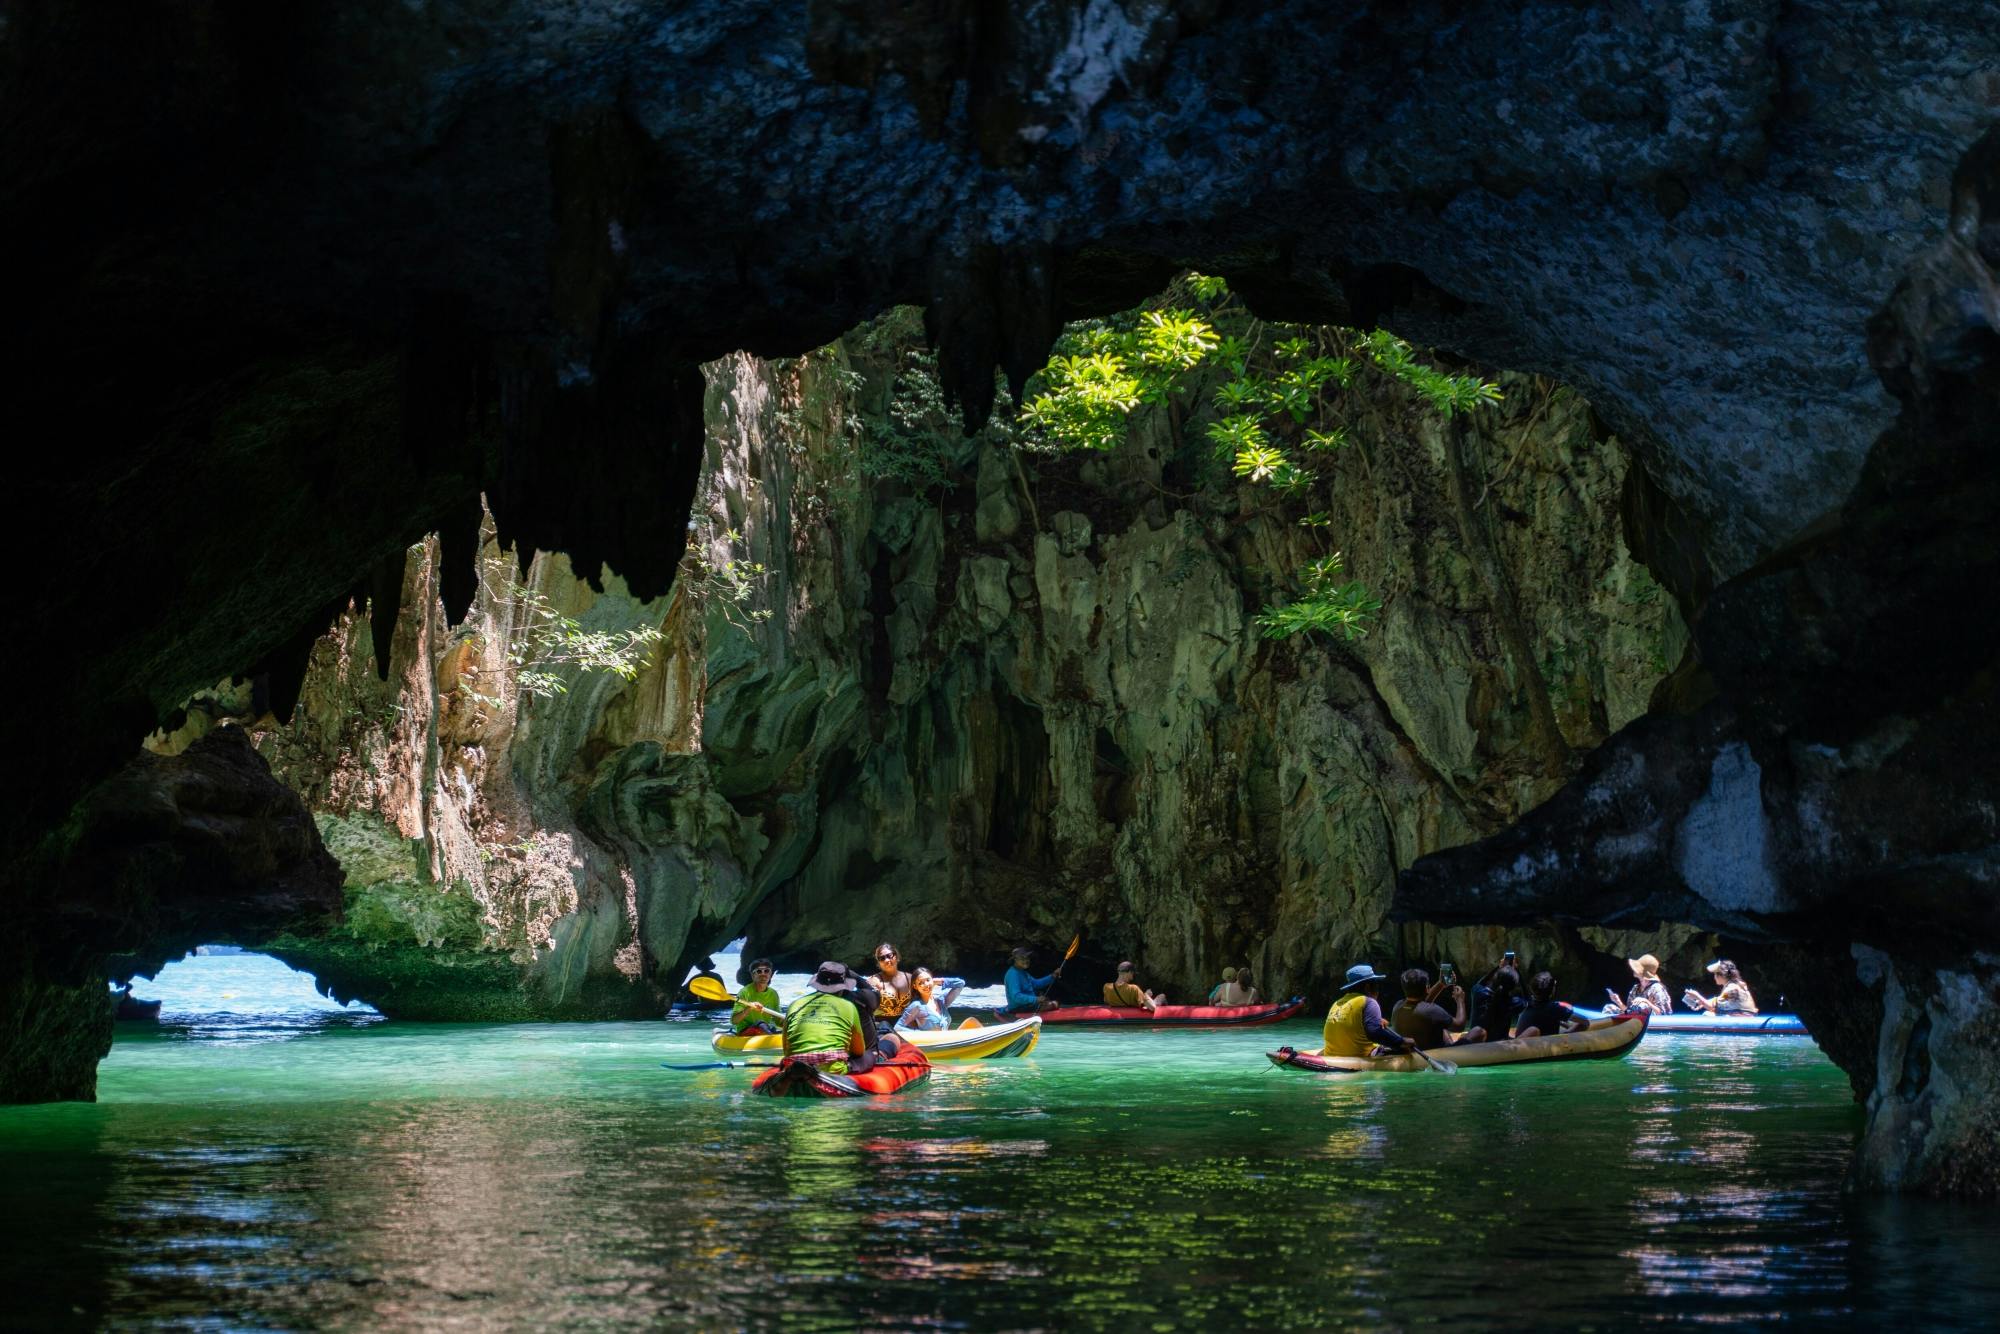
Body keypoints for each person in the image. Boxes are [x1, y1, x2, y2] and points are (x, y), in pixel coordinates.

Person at [782, 961, 873, 1074]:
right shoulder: (849, 1006)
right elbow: (858, 1051)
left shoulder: (794, 1004)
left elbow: (786, 1050)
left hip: (793, 1067)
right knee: (869, 1054)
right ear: (842, 987)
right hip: (833, 1069)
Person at [1321, 963, 1417, 1058]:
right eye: (1376, 984)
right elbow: (1374, 1033)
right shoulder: (1369, 1002)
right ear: (1368, 987)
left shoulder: (1337, 1003)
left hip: (1331, 1054)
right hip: (1357, 1056)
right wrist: (1401, 1042)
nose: (1378, 989)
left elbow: (1350, 1024)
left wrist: (1375, 1021)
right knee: (1404, 1049)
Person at [1390, 967, 1485, 1048]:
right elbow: (1459, 1026)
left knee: (1440, 1025)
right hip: (1437, 1053)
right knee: (1479, 1032)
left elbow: (1421, 1005)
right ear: (1427, 988)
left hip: (1415, 1050)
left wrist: (1441, 984)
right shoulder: (1432, 1011)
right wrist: (1460, 1001)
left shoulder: (1397, 1006)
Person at [1513, 971, 1585, 1038]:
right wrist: (1567, 1032)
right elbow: (1585, 1022)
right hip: (1541, 1047)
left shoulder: (1525, 1003)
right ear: (1552, 990)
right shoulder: (1556, 1009)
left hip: (1520, 1043)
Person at [895, 967, 967, 1032]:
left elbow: (960, 983)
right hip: (930, 1044)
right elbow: (898, 1028)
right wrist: (921, 1034)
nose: (926, 984)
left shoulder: (942, 1002)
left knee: (971, 1022)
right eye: (921, 983)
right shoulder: (917, 1006)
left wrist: (939, 981)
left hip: (945, 1042)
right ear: (915, 986)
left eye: (928, 980)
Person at [1606, 954, 1673, 1015]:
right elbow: (1629, 1011)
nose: (1633, 969)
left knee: (1642, 1005)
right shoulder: (1635, 988)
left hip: (1651, 1022)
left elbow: (1663, 1013)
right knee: (1609, 1008)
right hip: (1634, 1019)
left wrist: (1646, 1002)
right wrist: (1618, 1002)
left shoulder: (1657, 988)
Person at [1684, 959, 1758, 1015]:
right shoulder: (1737, 985)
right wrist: (1701, 1002)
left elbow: (1711, 1007)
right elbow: (1724, 998)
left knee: (1707, 1014)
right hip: (1748, 1016)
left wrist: (1697, 996)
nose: (1714, 977)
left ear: (1721, 975)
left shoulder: (1731, 988)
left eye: (1715, 974)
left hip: (1742, 1018)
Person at [731, 958, 784, 1035]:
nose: (763, 974)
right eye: (759, 971)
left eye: (766, 971)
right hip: (746, 1030)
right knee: (761, 1023)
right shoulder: (744, 992)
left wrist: (789, 1022)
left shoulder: (773, 994)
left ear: (770, 974)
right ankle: (769, 1035)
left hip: (764, 1029)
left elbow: (778, 1021)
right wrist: (749, 1008)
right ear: (753, 975)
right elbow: (734, 1020)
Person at [1471, 962, 1524, 1039]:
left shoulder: (1478, 993)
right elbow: (1528, 1000)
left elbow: (1479, 984)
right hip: (1499, 1045)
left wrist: (1498, 967)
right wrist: (1518, 972)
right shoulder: (1513, 1003)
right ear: (1514, 986)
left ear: (1494, 978)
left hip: (1477, 1044)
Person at [1004, 945, 1062, 1013]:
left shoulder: (1023, 972)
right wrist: (1036, 999)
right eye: (1022, 958)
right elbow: (1016, 996)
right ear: (1015, 960)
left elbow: (1036, 984)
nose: (1026, 961)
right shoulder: (1013, 974)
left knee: (1053, 1002)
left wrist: (1052, 976)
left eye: (1027, 958)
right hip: (1018, 1008)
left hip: (1028, 1005)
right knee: (1054, 1004)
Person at [867, 942, 914, 1023]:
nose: (887, 960)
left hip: (906, 1023)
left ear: (896, 956)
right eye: (882, 958)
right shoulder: (874, 980)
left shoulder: (909, 978)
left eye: (889, 956)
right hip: (882, 1024)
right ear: (879, 962)